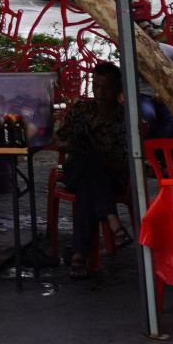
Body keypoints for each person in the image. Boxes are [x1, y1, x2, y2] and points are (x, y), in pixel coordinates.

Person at [55, 62, 135, 278]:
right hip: (76, 170)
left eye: (106, 87)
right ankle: (111, 218)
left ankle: (79, 254)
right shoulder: (81, 109)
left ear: (119, 88)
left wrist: (100, 160)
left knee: (87, 186)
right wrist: (70, 145)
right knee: (88, 163)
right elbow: (59, 142)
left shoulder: (126, 118)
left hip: (111, 176)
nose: (100, 92)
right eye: (96, 86)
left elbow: (129, 162)